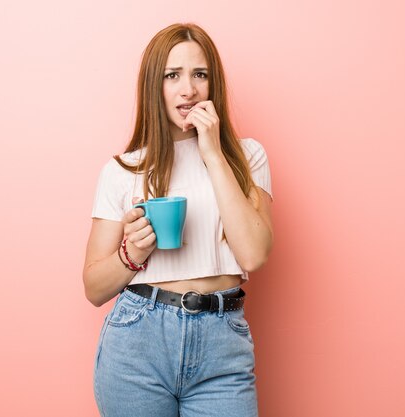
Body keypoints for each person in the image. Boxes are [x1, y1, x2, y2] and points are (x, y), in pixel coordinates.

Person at [83, 22, 273, 417]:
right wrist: (131, 254)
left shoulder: (247, 156)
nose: (189, 89)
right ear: (156, 85)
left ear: (212, 83)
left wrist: (214, 153)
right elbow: (94, 288)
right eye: (173, 75)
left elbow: (254, 254)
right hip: (138, 342)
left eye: (199, 74)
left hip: (222, 345)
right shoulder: (124, 169)